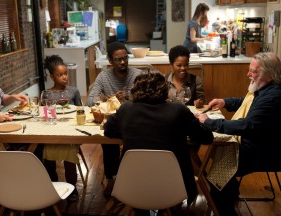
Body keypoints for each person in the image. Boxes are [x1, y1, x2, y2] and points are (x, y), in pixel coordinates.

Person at [104, 70, 213, 215]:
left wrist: (130, 130)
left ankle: (145, 210)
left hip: (132, 185)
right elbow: (206, 137)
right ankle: (163, 209)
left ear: (135, 90)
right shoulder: (178, 110)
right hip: (174, 186)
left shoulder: (126, 109)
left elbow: (108, 130)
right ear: (165, 90)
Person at [196, 52, 281, 216]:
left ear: (270, 74)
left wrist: (209, 122)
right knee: (219, 152)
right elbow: (248, 102)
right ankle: (228, 197)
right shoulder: (267, 89)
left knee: (220, 164)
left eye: (254, 71)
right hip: (259, 143)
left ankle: (223, 209)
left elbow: (246, 125)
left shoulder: (273, 97)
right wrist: (225, 102)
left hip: (266, 151)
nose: (248, 74)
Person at [85, 41, 141, 197]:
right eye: (118, 59)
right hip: (113, 123)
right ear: (110, 61)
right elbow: (89, 101)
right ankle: (112, 178)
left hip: (134, 122)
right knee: (107, 138)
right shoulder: (104, 76)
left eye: (125, 58)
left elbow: (147, 99)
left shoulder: (137, 75)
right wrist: (104, 99)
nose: (123, 62)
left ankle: (128, 178)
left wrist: (129, 96)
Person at [41, 55, 82, 202]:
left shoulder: (73, 91)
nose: (64, 77)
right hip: (52, 130)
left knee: (70, 154)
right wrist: (53, 103)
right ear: (52, 76)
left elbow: (81, 111)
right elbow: (43, 113)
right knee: (46, 153)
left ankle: (72, 187)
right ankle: (53, 185)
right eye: (60, 75)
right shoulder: (47, 94)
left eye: (65, 73)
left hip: (70, 131)